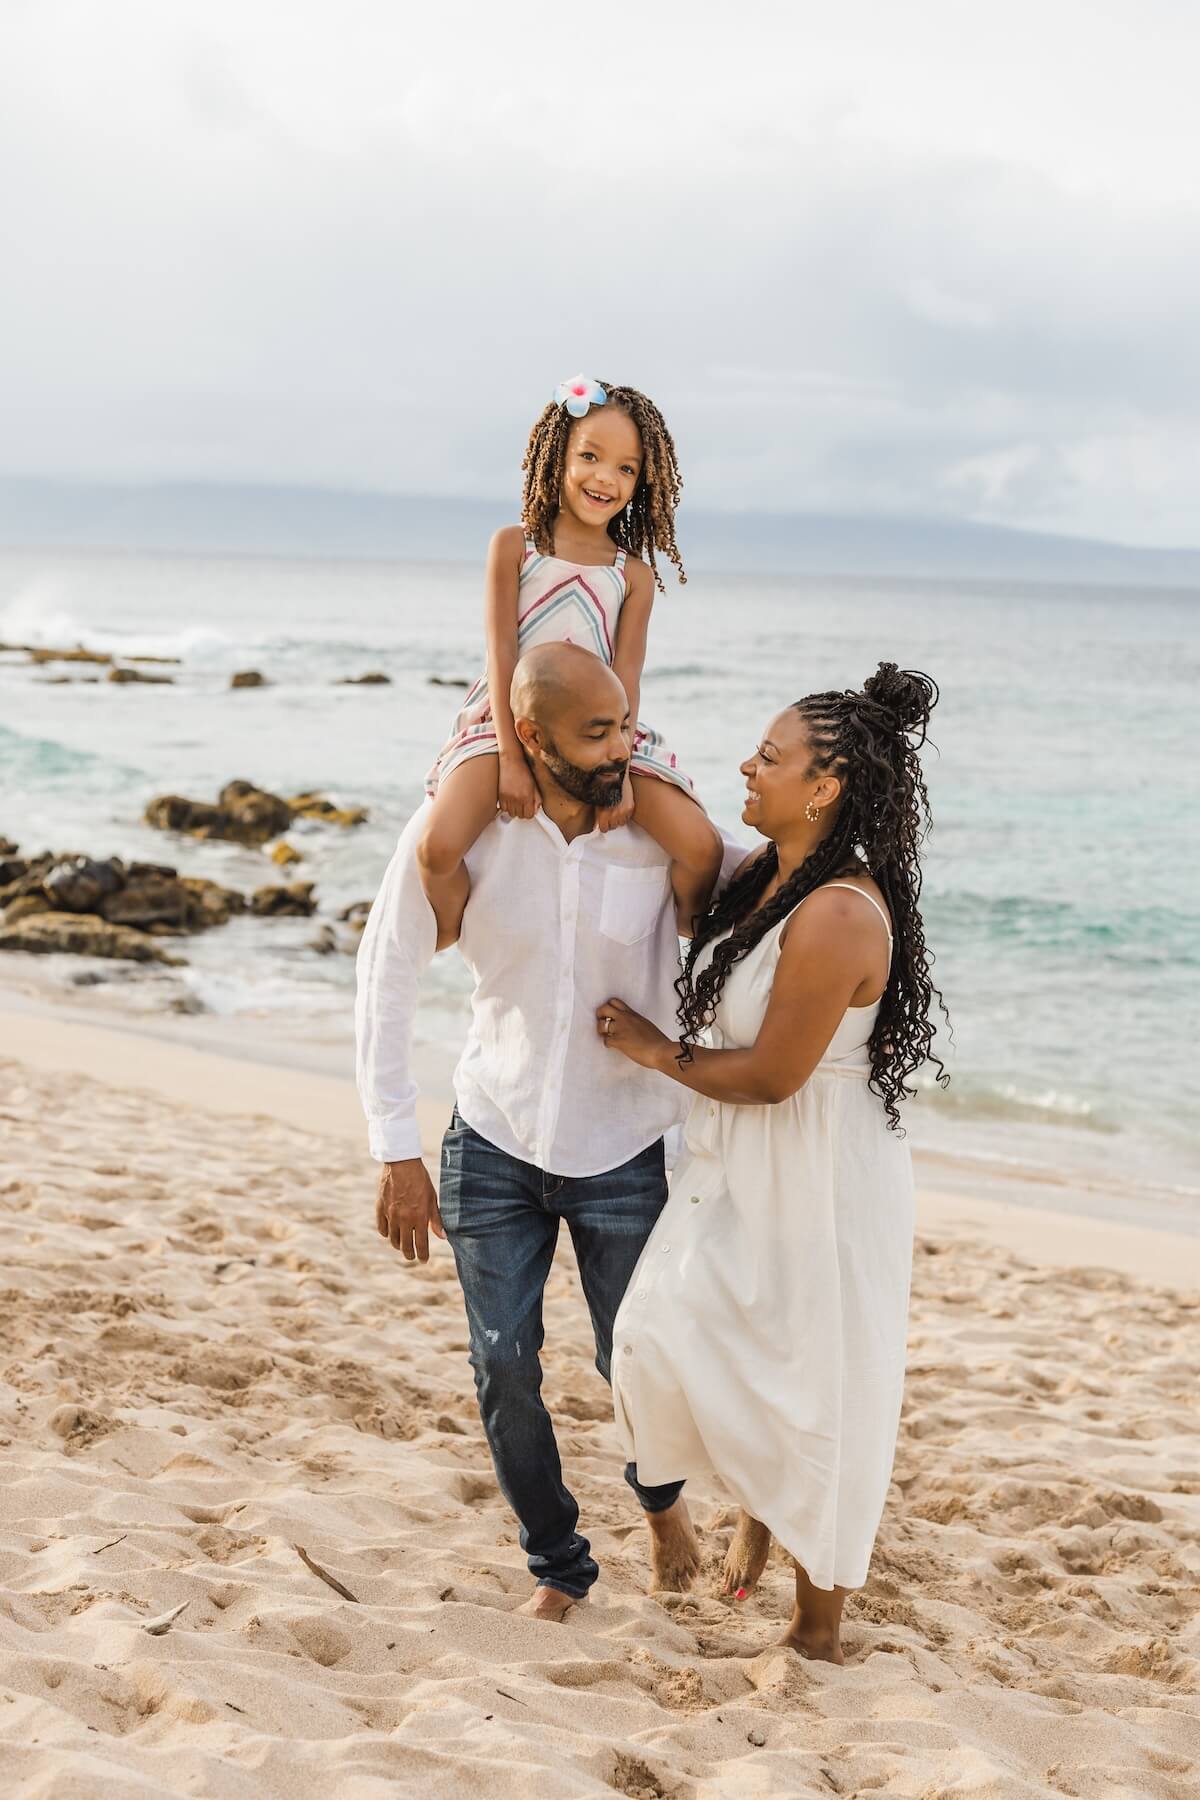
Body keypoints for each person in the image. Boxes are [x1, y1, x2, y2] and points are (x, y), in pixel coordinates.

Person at [356, 641, 729, 1620]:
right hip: (495, 1134)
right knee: (503, 1367)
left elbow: (761, 904)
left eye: (625, 726)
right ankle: (558, 1567)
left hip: (628, 1145)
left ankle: (662, 1507)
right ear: (531, 734)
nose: (621, 749)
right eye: (598, 733)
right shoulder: (464, 831)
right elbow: (387, 966)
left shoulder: (655, 827)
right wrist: (395, 1148)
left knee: (633, 1362)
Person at [592, 662, 948, 1665]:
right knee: (657, 1338)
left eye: (770, 757)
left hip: (819, 1170)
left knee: (818, 1380)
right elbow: (671, 812)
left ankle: (816, 1631)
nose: (748, 767)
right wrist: (597, 739)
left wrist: (655, 1050)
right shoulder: (765, 875)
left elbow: (775, 1075)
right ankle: (757, 1503)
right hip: (735, 1160)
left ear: (824, 786)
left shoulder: (837, 913)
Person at [415, 373, 717, 947]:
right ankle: (453, 930)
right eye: (590, 456)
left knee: (701, 846)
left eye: (626, 468)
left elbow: (626, 679)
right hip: (508, 721)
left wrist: (619, 771)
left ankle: (687, 943)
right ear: (558, 457)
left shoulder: (633, 576)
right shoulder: (514, 546)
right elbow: (501, 653)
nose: (606, 478)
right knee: (437, 848)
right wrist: (511, 758)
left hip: (604, 732)